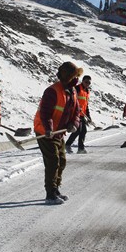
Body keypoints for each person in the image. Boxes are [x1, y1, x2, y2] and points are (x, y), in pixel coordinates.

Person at [34, 61, 83, 205]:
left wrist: (73, 124)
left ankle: (55, 189)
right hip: (45, 131)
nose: (75, 78)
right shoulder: (52, 91)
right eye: (73, 75)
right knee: (53, 161)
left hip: (58, 133)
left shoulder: (72, 91)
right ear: (66, 76)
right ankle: (50, 194)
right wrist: (48, 129)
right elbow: (45, 113)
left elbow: (76, 112)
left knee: (62, 161)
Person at [66, 75, 93, 154]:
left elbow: (86, 105)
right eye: (86, 82)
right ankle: (68, 144)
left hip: (82, 114)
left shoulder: (87, 91)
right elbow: (72, 100)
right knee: (78, 130)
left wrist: (88, 116)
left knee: (83, 131)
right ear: (82, 81)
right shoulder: (77, 88)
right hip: (75, 113)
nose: (87, 84)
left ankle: (80, 148)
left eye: (89, 83)